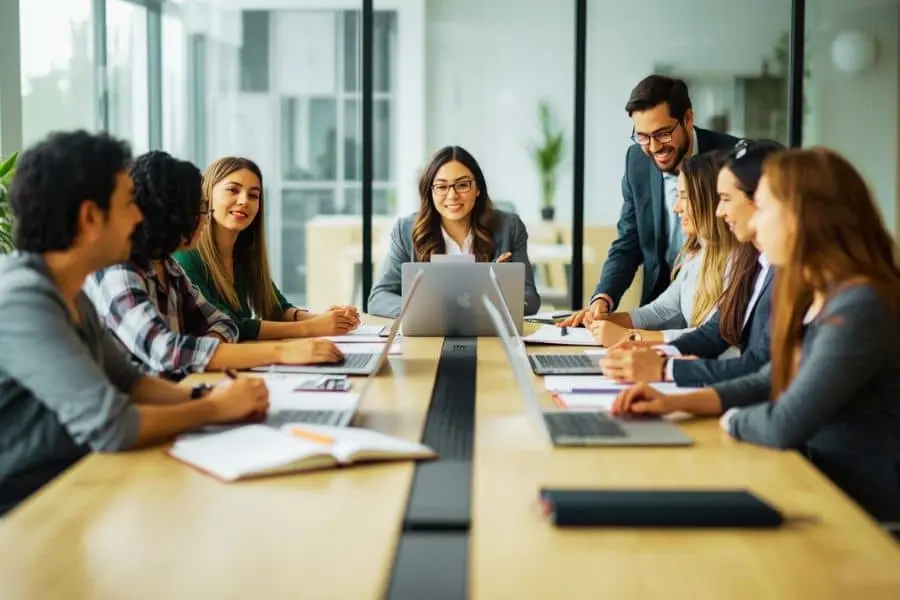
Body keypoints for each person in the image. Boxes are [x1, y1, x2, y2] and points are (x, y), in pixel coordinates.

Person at [611, 147, 900, 521]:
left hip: (858, 510)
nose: (756, 225)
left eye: (764, 209)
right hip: (819, 481)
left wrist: (730, 420)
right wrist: (676, 403)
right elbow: (770, 378)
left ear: (802, 218)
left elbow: (784, 423)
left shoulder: (859, 305)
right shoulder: (828, 294)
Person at [0, 131, 269, 516]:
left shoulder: (68, 288)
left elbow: (130, 381)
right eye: (129, 202)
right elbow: (113, 425)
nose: (140, 215)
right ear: (91, 217)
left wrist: (208, 397)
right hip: (26, 508)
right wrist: (215, 409)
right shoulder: (23, 300)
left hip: (74, 484)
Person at [84, 151, 344, 381]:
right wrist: (283, 351)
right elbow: (167, 351)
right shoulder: (119, 272)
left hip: (181, 393)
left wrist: (205, 354)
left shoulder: (169, 267)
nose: (204, 218)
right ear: (168, 213)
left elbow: (224, 323)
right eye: (199, 208)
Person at [599, 139, 785, 387]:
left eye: (726, 199)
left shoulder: (773, 268)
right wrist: (654, 355)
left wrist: (660, 363)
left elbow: (757, 365)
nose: (720, 211)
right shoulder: (750, 262)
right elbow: (714, 333)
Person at [561, 75, 737, 328]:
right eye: (642, 136)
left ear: (688, 119)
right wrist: (602, 301)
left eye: (663, 133)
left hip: (719, 302)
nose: (654, 147)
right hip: (662, 305)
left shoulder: (729, 159)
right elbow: (628, 242)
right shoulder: (637, 161)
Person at [174, 156, 360, 341]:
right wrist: (311, 327)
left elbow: (276, 308)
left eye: (253, 195)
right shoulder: (186, 257)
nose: (244, 201)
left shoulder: (243, 253)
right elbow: (231, 325)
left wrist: (326, 319)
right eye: (233, 190)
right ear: (207, 194)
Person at [367, 145, 541, 318]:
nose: (452, 195)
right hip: (428, 335)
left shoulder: (509, 227)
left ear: (478, 188)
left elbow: (530, 299)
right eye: (442, 187)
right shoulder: (405, 230)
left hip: (489, 334)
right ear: (430, 192)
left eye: (462, 185)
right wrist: (424, 310)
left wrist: (495, 296)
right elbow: (379, 297)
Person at [588, 150, 737, 347]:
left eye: (684, 196)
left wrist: (630, 337)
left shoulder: (736, 263)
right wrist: (599, 320)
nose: (676, 207)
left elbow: (709, 338)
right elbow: (659, 311)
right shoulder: (695, 257)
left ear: (708, 201)